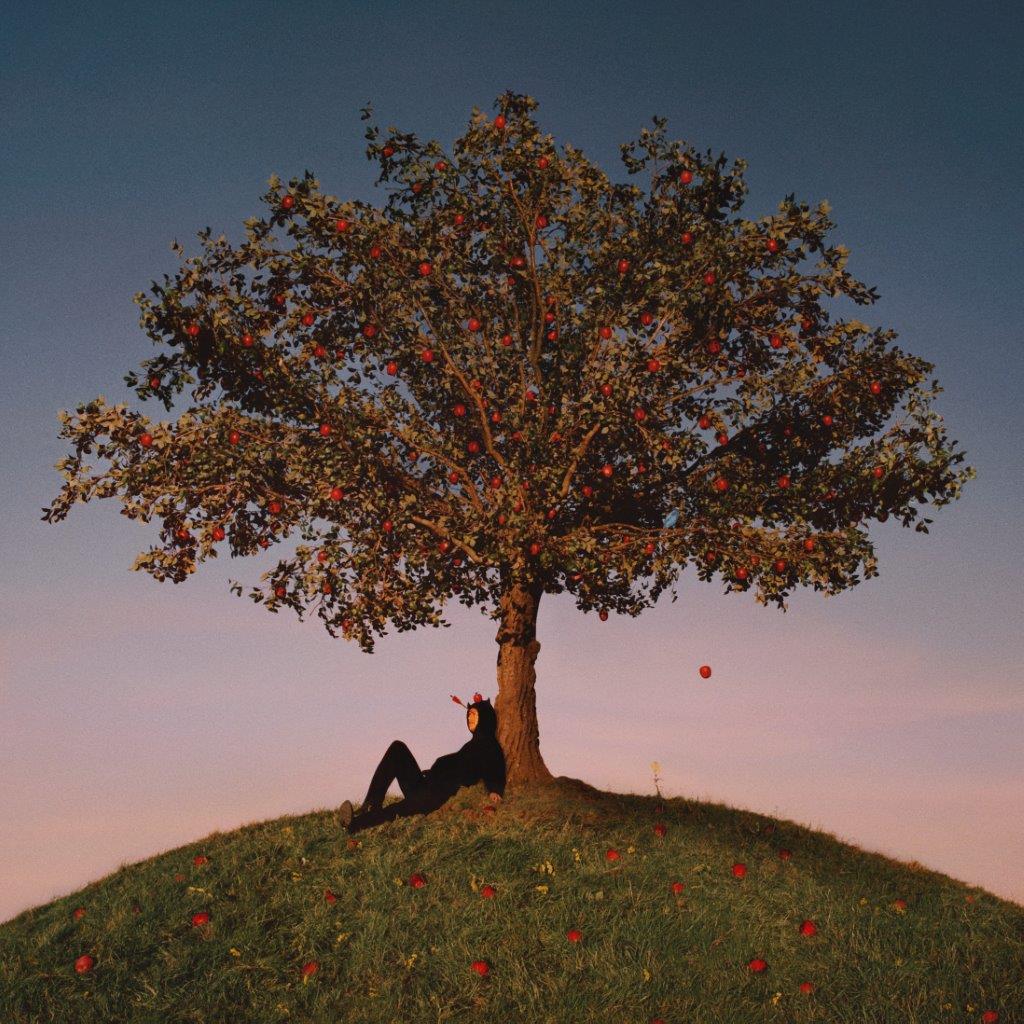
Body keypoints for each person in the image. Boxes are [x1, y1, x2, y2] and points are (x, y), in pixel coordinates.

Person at [339, 696, 506, 834]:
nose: (469, 718)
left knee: (395, 811)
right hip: (425, 784)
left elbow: (495, 766)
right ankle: (372, 803)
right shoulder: (470, 745)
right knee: (398, 748)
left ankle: (354, 825)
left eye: (474, 715)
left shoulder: (489, 745)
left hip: (434, 796)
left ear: (485, 717)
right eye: (468, 715)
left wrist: (495, 789)